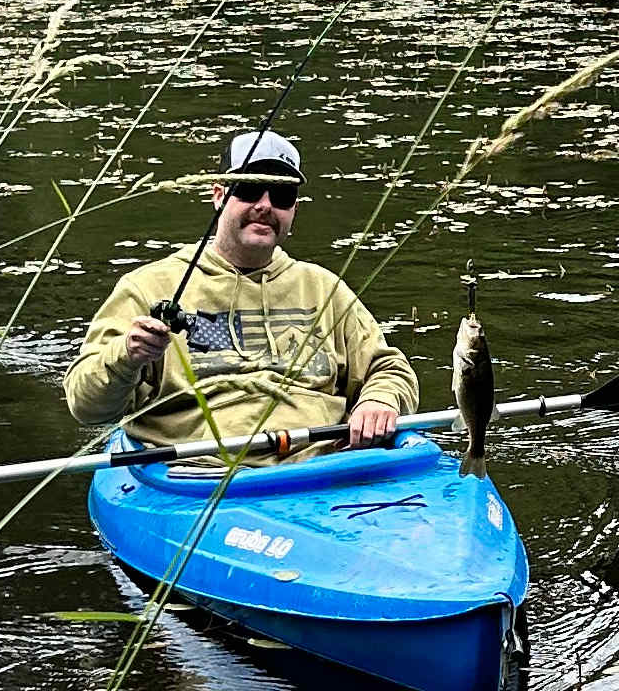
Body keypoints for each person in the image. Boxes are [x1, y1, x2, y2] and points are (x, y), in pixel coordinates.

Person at [65, 127, 419, 454]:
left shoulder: (326, 288)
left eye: (281, 195)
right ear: (219, 195)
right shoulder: (146, 287)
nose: (264, 205)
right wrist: (127, 356)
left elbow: (388, 367)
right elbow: (86, 406)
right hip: (197, 474)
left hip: (323, 469)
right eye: (249, 189)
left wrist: (379, 400)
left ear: (294, 209)